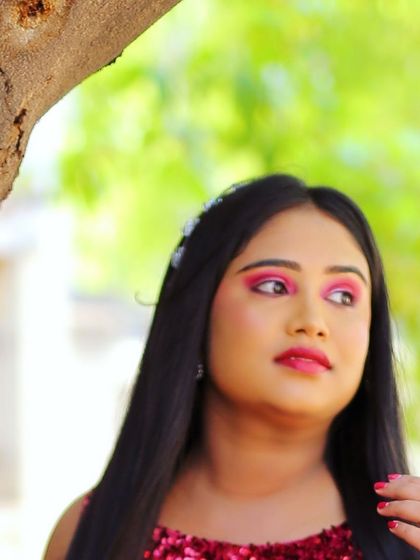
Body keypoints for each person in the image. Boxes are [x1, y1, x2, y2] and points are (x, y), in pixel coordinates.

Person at [44, 174, 420, 559]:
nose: (312, 321)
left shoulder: (409, 535)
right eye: (274, 286)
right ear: (197, 312)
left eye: (342, 296)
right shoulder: (88, 531)